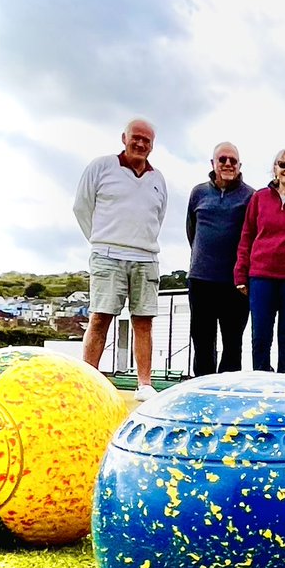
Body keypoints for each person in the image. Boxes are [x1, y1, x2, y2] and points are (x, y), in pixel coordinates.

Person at [73, 119, 168, 399]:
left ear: (152, 145)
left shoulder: (158, 179)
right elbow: (81, 207)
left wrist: (141, 242)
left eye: (146, 140)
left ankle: (145, 385)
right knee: (100, 317)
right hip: (107, 254)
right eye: (135, 138)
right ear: (124, 137)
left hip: (146, 257)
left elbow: (158, 217)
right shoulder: (101, 167)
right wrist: (101, 239)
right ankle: (88, 380)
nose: (140, 144)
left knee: (143, 320)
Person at [234, 149, 285, 374]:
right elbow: (247, 236)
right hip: (261, 277)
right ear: (275, 170)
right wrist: (241, 273)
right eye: (283, 164)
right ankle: (261, 382)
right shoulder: (259, 198)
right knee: (260, 336)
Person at [185, 142, 254, 376]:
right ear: (213, 163)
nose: (227, 164)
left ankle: (228, 396)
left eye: (232, 160)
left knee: (233, 345)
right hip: (201, 280)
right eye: (222, 159)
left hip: (236, 284)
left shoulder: (250, 196)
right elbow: (191, 231)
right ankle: (201, 393)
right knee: (202, 343)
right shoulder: (198, 193)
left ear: (240, 165)